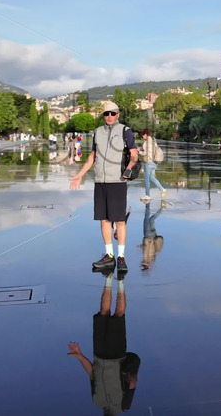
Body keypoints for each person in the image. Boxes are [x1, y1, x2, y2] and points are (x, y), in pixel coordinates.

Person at [69, 101, 138, 273]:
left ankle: (121, 257)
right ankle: (109, 255)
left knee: (120, 221)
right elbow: (93, 156)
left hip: (117, 181)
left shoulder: (125, 131)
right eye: (106, 114)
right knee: (104, 220)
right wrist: (80, 174)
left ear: (118, 114)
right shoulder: (98, 132)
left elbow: (134, 154)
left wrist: (128, 170)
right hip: (100, 181)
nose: (109, 116)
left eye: (112, 113)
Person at [67, 275, 140, 415]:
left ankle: (109, 278)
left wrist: (79, 355)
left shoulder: (97, 401)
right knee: (119, 315)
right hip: (116, 356)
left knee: (103, 313)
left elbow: (92, 374)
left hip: (99, 353)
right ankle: (121, 281)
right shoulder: (124, 406)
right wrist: (128, 376)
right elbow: (133, 383)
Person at [139, 128, 165, 202]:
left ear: (146, 135)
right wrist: (141, 149)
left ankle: (147, 195)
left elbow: (145, 153)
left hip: (149, 162)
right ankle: (162, 189)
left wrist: (139, 152)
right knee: (152, 177)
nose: (142, 137)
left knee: (147, 179)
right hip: (155, 162)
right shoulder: (154, 141)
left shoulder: (146, 143)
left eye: (143, 135)